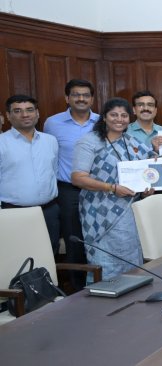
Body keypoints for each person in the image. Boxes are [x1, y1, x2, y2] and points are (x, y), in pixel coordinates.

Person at [71, 98, 155, 279]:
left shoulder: (133, 142)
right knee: (106, 259)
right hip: (100, 212)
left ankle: (132, 292)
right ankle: (105, 292)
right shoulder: (90, 141)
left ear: (129, 118)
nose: (119, 119)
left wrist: (148, 188)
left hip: (130, 213)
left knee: (131, 258)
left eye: (124, 115)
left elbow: (150, 169)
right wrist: (111, 187)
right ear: (104, 117)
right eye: (114, 115)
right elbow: (77, 178)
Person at [44, 79, 99, 289]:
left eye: (86, 95)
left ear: (92, 99)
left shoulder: (102, 121)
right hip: (68, 191)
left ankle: (102, 282)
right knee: (74, 240)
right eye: (76, 94)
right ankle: (78, 290)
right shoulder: (52, 123)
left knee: (98, 237)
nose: (81, 98)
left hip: (99, 189)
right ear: (67, 98)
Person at [0, 95, 61, 253]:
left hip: (49, 211)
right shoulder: (2, 143)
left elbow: (53, 172)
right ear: (8, 115)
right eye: (17, 111)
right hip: (13, 213)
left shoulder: (51, 141)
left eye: (29, 110)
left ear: (37, 113)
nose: (25, 115)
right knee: (18, 256)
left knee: (50, 255)